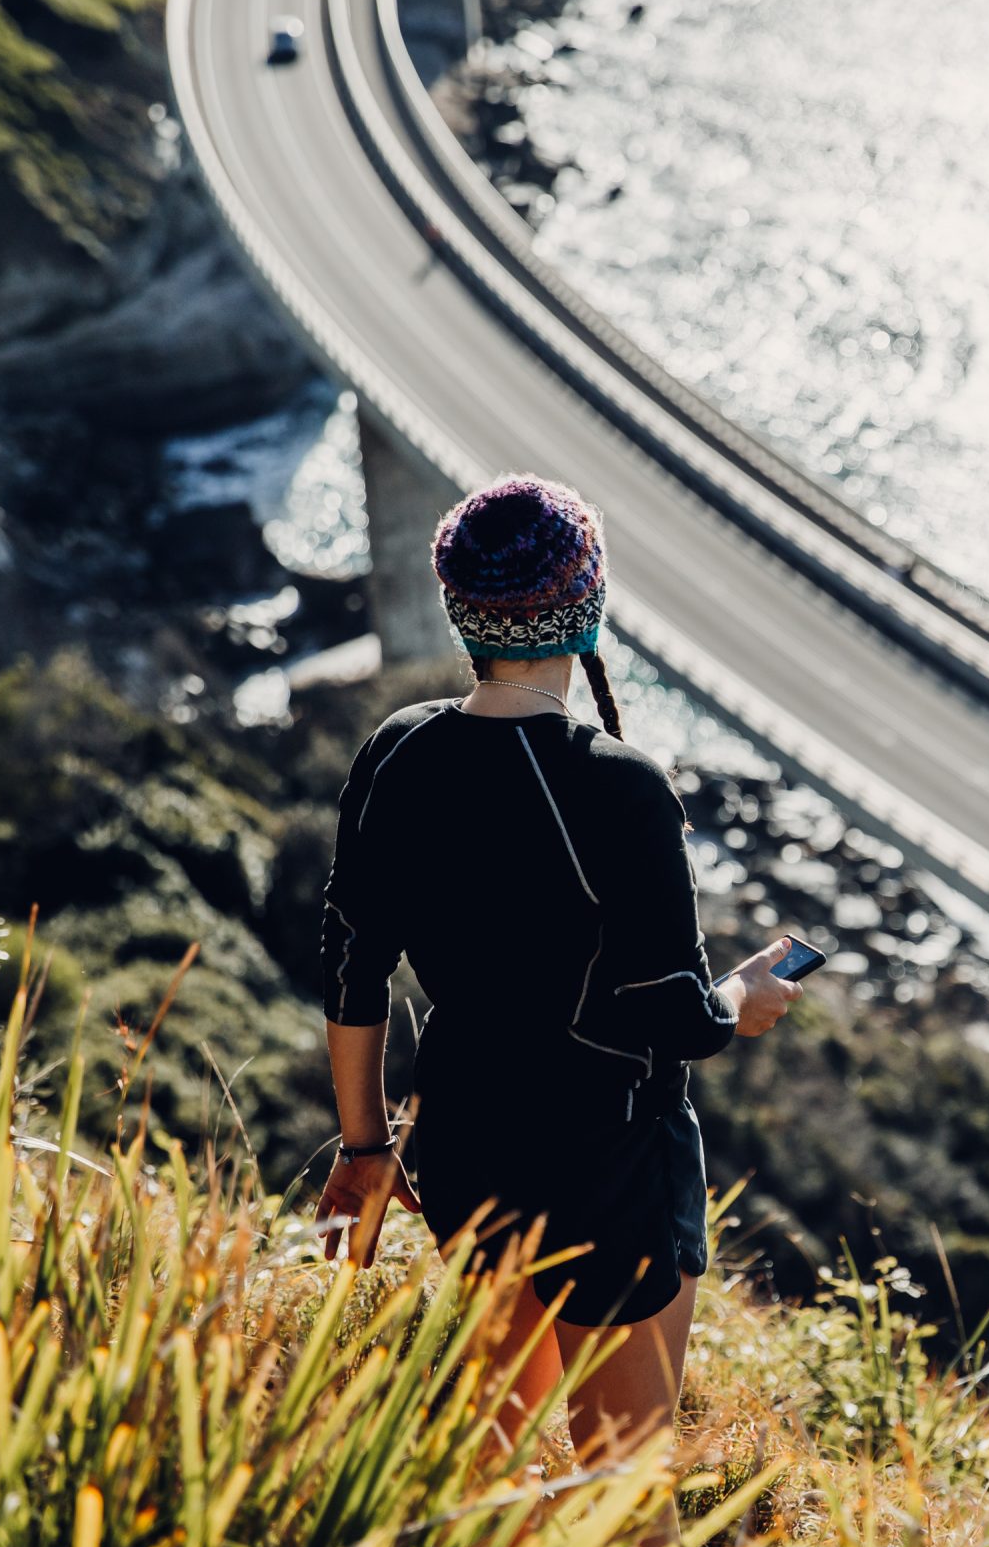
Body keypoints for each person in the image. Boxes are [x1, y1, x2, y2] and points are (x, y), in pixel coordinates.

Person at [312, 474, 801, 1463]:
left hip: (460, 1145)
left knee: (489, 1455)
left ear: (462, 609)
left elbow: (353, 969)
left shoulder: (398, 751)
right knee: (619, 1497)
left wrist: (365, 1152)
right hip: (608, 1163)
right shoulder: (618, 783)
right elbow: (676, 1016)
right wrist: (746, 999)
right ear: (587, 606)